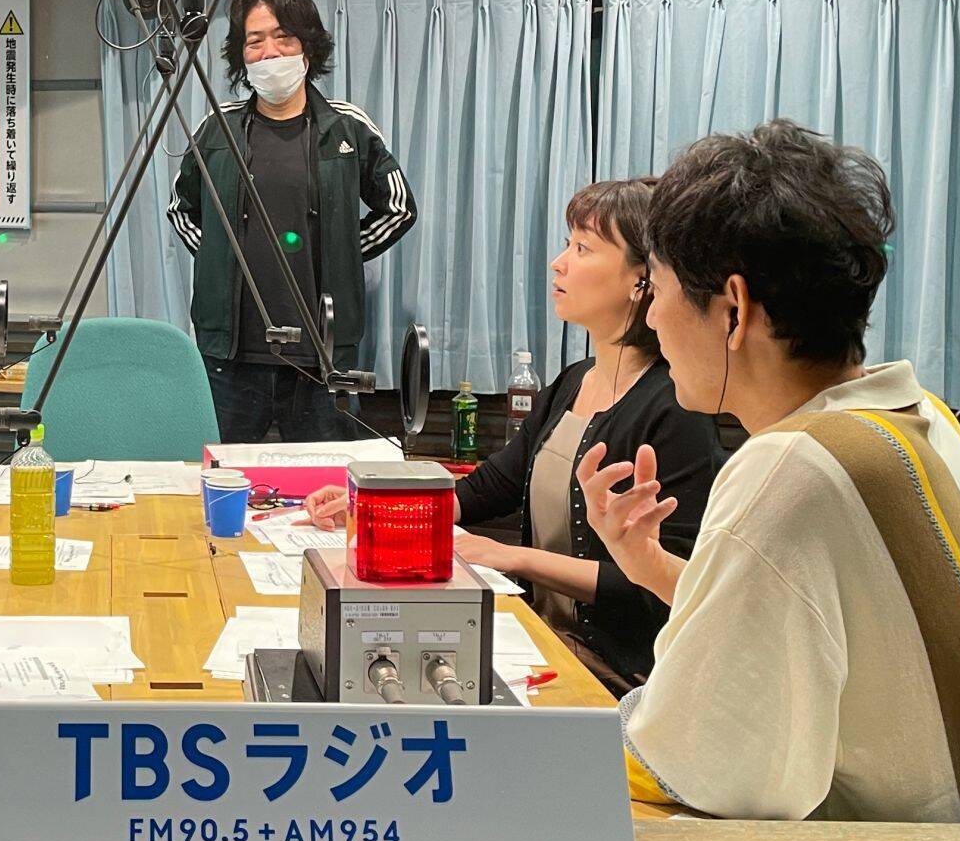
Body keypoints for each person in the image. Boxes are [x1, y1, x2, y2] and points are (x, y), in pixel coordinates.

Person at [578, 122, 960, 823]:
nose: (651, 314)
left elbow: (694, 766)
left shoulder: (793, 468)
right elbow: (792, 644)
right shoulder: (916, 417)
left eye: (660, 287)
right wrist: (648, 565)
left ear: (733, 309)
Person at [302, 180, 721, 689]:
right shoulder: (573, 381)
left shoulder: (675, 408)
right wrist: (379, 507)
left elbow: (668, 583)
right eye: (567, 244)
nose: (559, 264)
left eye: (583, 248)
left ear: (643, 278)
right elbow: (491, 486)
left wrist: (509, 556)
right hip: (543, 639)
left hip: (613, 671)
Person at [170, 0, 416, 444]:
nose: (270, 52)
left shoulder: (347, 127)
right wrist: (221, 255)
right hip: (230, 359)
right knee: (220, 476)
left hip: (323, 357)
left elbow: (399, 209)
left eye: (283, 36)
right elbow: (181, 208)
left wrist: (344, 252)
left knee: (327, 480)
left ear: (308, 45)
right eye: (255, 40)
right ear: (241, 55)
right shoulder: (217, 129)